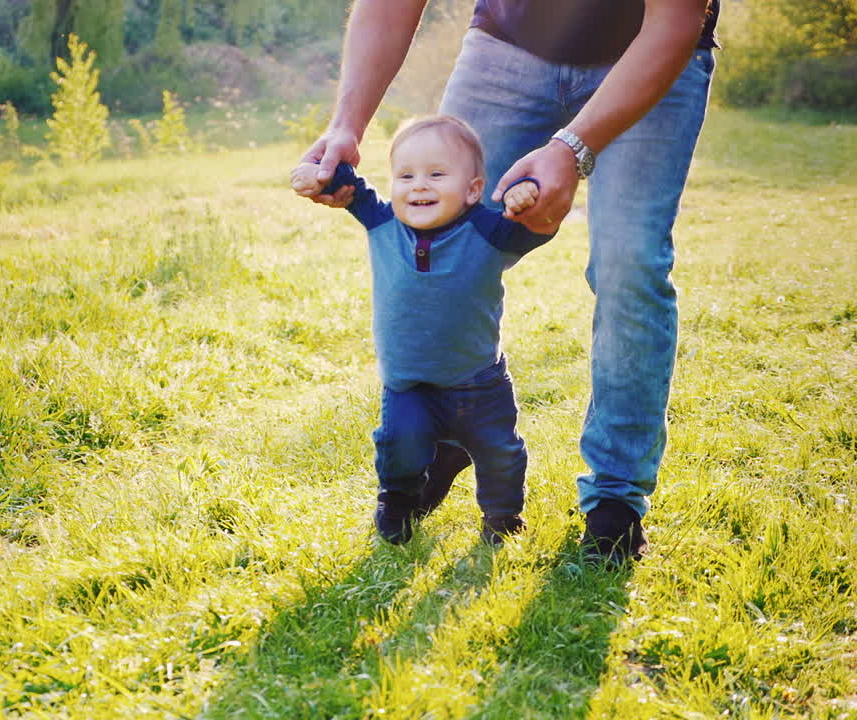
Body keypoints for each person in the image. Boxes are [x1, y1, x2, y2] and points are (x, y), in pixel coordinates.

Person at [298, 0, 719, 565]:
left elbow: (674, 20)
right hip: (507, 50)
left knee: (630, 262)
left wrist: (572, 149)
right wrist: (347, 124)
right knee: (442, 230)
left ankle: (615, 498)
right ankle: (449, 427)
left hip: (648, 51)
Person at [292, 115, 552, 546]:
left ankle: (503, 518)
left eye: (436, 174)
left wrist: (529, 196)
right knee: (400, 445)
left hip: (479, 383)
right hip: (409, 383)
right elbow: (347, 184)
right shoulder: (382, 221)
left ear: (472, 190)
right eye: (406, 175)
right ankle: (397, 504)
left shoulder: (487, 229)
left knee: (500, 453)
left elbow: (536, 224)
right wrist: (317, 174)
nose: (419, 186)